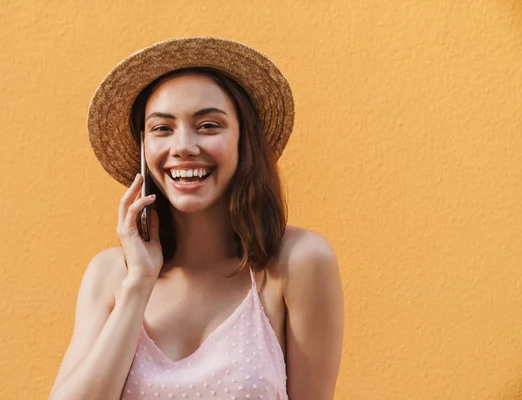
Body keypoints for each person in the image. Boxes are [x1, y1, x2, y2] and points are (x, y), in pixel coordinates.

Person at [48, 36, 344, 400]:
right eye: (162, 128)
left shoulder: (297, 262)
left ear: (243, 141)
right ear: (144, 148)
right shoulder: (111, 274)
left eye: (208, 125)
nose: (183, 146)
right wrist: (139, 282)